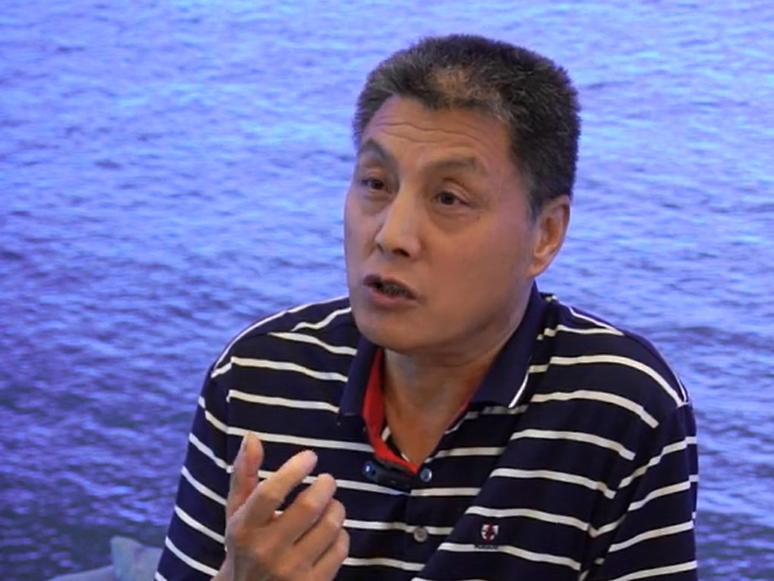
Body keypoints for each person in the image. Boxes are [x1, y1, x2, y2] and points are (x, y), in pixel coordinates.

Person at [155, 34, 699, 581]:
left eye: (448, 198)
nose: (392, 235)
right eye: (376, 184)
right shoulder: (257, 374)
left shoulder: (620, 405)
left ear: (545, 234)